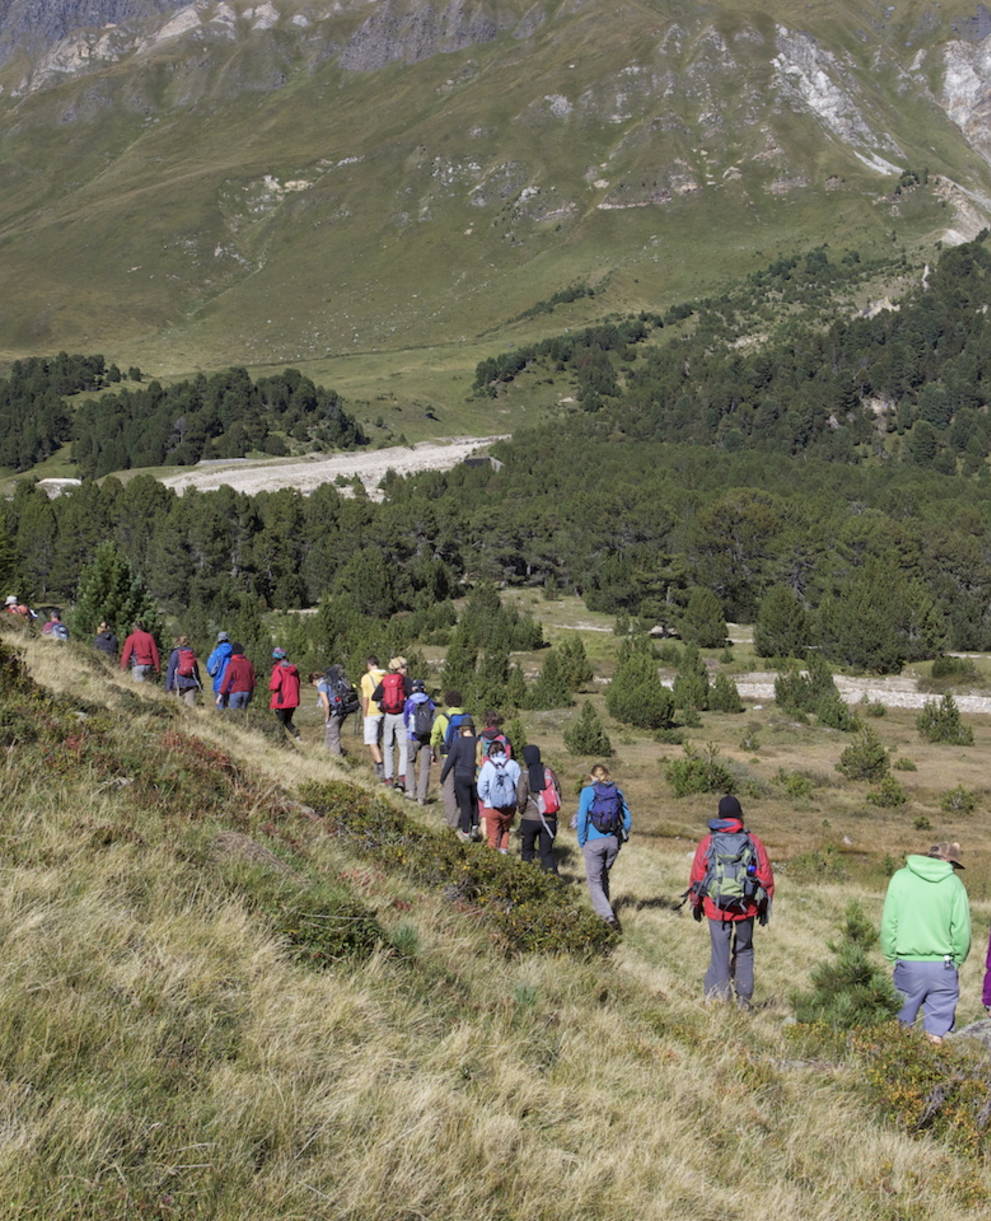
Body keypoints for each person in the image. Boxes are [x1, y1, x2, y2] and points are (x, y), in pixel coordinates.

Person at [688, 796, 774, 1008]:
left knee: (720, 952)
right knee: (744, 950)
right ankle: (743, 1001)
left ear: (719, 814)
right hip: (747, 907)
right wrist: (764, 906)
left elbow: (698, 875)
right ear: (739, 814)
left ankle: (719, 999)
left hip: (716, 907)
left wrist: (696, 903)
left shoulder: (709, 841)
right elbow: (765, 877)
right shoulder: (753, 841)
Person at [881, 841, 971, 1043]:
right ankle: (934, 1070)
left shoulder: (900, 878)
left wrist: (891, 956)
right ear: (948, 861)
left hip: (907, 962)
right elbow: (962, 930)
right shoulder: (954, 884)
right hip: (943, 964)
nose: (954, 870)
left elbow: (889, 922)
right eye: (954, 865)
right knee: (936, 1032)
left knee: (900, 1025)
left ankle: (896, 1069)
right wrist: (957, 961)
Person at [576, 764, 632, 928]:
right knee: (603, 875)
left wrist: (582, 841)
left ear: (592, 776)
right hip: (612, 842)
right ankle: (605, 913)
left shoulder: (587, 792)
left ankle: (607, 916)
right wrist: (620, 837)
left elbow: (581, 820)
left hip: (593, 842)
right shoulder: (617, 792)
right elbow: (628, 819)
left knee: (594, 880)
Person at [517, 744, 562, 873]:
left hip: (529, 820)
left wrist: (522, 810)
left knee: (527, 852)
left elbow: (521, 797)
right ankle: (553, 883)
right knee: (547, 852)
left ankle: (526, 880)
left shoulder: (525, 775)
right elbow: (558, 794)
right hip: (549, 820)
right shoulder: (549, 773)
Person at [373, 656, 412, 792]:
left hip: (389, 716)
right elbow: (411, 696)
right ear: (400, 668)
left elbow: (375, 697)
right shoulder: (406, 681)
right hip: (402, 716)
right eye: (405, 667)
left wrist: (385, 704)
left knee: (388, 747)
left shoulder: (386, 681)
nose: (406, 669)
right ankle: (402, 779)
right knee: (403, 747)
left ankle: (388, 778)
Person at [431, 690, 469, 829]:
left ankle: (452, 821)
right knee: (463, 789)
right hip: (466, 758)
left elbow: (435, 736)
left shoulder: (443, 718)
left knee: (449, 788)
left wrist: (433, 751)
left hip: (448, 756)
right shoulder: (467, 717)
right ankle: (466, 818)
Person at [439, 720, 479, 842]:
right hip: (475, 776)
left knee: (465, 804)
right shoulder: (478, 742)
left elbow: (450, 761)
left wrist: (443, 777)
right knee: (474, 802)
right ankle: (475, 827)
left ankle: (465, 832)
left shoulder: (458, 743)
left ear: (461, 730)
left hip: (460, 776)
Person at [477, 742, 520, 852]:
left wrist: (486, 799)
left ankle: (492, 858)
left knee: (492, 834)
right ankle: (503, 852)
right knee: (505, 830)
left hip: (492, 806)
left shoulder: (487, 765)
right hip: (509, 806)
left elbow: (481, 786)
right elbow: (519, 785)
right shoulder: (513, 764)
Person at [404, 679, 435, 804]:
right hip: (427, 737)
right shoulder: (429, 701)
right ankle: (422, 796)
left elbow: (405, 718)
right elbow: (433, 718)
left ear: (413, 689)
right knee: (425, 768)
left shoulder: (410, 702)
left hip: (413, 736)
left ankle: (411, 790)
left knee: (410, 762)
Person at [312, 664, 352, 755]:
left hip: (335, 711)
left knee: (333, 735)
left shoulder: (322, 686)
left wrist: (327, 717)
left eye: (312, 682)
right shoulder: (330, 682)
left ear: (314, 680)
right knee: (331, 732)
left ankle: (336, 757)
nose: (312, 685)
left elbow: (326, 704)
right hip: (343, 709)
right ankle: (327, 753)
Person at [360, 655, 386, 775]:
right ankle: (380, 764)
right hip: (385, 711)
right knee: (378, 740)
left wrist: (364, 714)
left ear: (369, 665)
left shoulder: (366, 678)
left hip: (372, 712)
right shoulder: (385, 676)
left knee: (371, 741)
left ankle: (380, 767)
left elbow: (366, 698)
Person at [268, 647, 301, 737]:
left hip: (281, 700)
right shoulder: (294, 669)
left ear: (276, 658)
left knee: (279, 723)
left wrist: (269, 685)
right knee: (287, 721)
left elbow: (274, 686)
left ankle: (281, 740)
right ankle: (298, 737)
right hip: (293, 700)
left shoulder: (278, 669)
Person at [164, 635, 202, 706]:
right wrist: (199, 684)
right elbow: (196, 670)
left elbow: (171, 670)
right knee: (191, 708)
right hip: (191, 683)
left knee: (180, 708)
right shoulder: (191, 653)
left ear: (178, 642)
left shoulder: (175, 653)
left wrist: (168, 687)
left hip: (178, 684)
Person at [220, 643, 255, 710]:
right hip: (247, 691)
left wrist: (221, 693)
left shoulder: (232, 664)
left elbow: (226, 680)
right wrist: (251, 693)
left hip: (236, 691)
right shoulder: (249, 663)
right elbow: (253, 680)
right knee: (243, 714)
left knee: (234, 715)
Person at [206, 631, 234, 709]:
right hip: (232, 685)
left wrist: (212, 674)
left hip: (219, 684)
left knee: (220, 709)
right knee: (230, 709)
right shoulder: (234, 651)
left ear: (219, 640)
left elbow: (210, 667)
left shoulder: (216, 652)